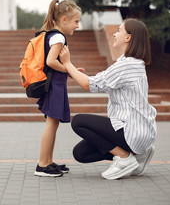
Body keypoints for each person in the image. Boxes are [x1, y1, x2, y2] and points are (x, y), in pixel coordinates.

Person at [59, 18, 157, 180]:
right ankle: (137, 154)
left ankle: (124, 158)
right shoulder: (130, 63)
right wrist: (74, 72)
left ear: (128, 38)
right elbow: (93, 81)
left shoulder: (127, 66)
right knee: (81, 154)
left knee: (79, 122)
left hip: (132, 131)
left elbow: (89, 84)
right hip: (135, 131)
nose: (114, 34)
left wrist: (67, 63)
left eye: (119, 30)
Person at [34, 0, 82, 177]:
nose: (77, 25)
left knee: (53, 125)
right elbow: (51, 61)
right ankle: (42, 165)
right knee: (51, 124)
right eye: (76, 21)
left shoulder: (53, 34)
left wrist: (69, 70)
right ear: (64, 20)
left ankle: (48, 161)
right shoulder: (58, 37)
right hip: (54, 86)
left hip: (55, 85)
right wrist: (69, 69)